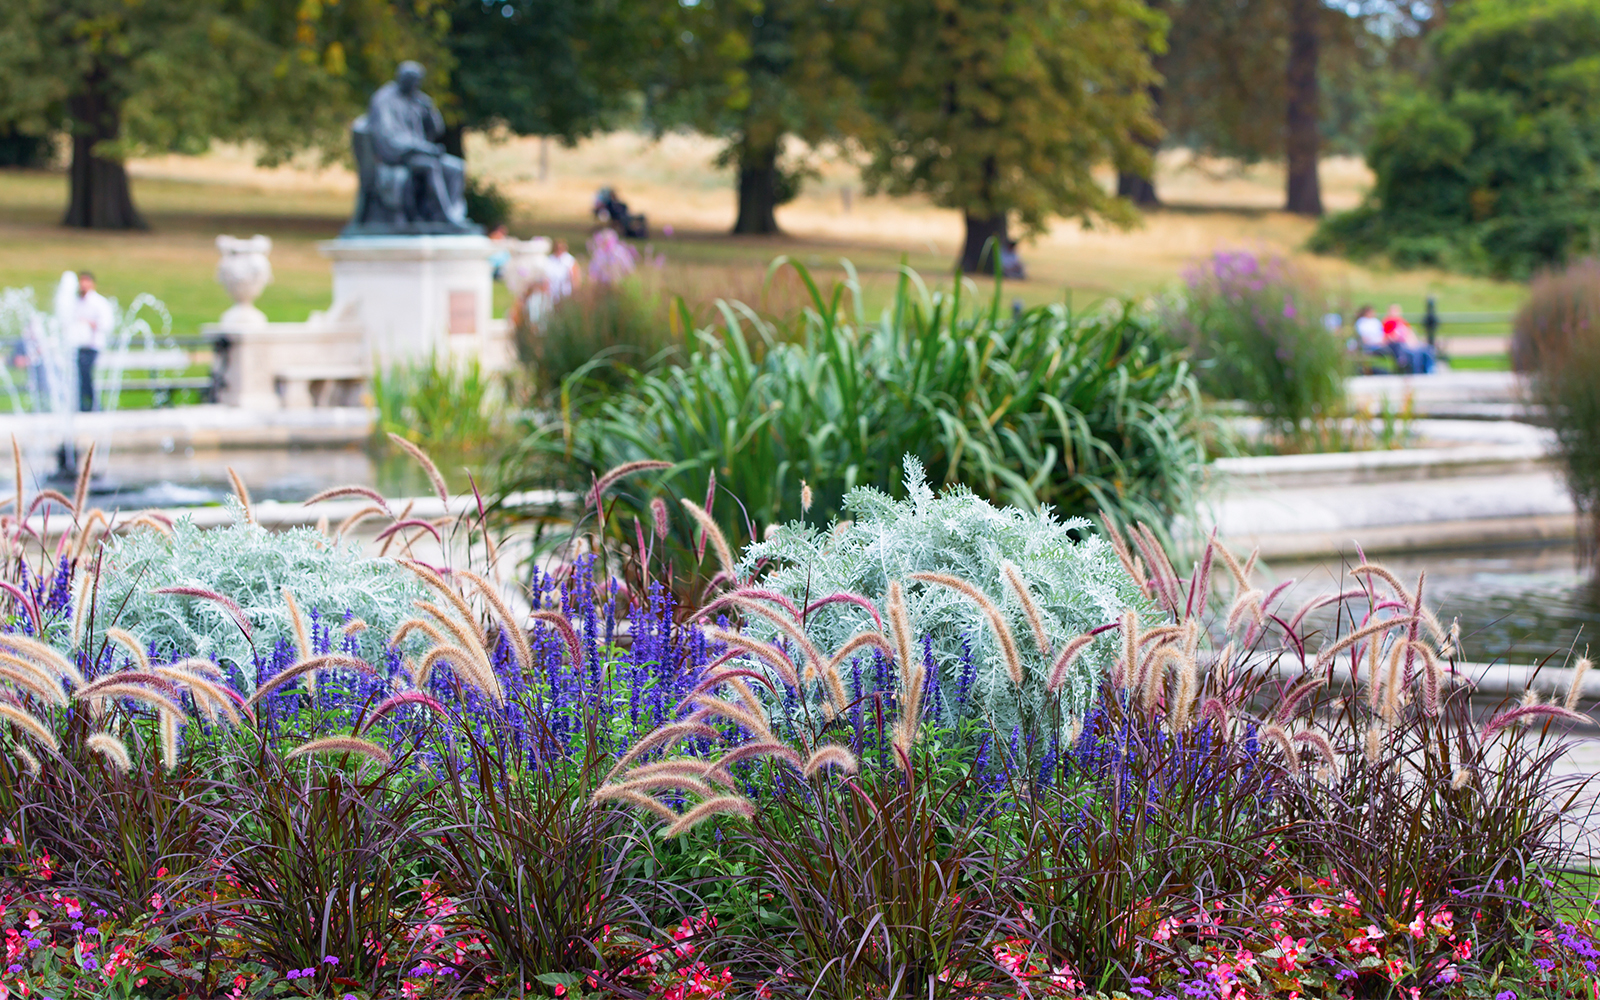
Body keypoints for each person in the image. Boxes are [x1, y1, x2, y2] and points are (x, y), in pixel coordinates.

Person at [69, 271, 114, 411]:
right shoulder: (74, 301)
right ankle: (82, 403)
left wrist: (88, 323)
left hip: (92, 345)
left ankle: (91, 404)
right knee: (77, 374)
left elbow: (106, 324)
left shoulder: (98, 303)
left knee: (85, 372)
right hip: (77, 345)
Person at [1382, 303, 1437, 375]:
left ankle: (1429, 370)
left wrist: (1415, 342)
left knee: (1427, 349)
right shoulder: (1388, 322)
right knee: (1414, 354)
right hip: (1399, 346)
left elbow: (1410, 333)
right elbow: (1388, 337)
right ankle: (1417, 373)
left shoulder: (1402, 322)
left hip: (1409, 343)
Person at [545, 238, 580, 304]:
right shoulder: (550, 259)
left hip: (565, 292)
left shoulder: (569, 260)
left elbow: (575, 277)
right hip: (552, 293)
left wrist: (575, 292)